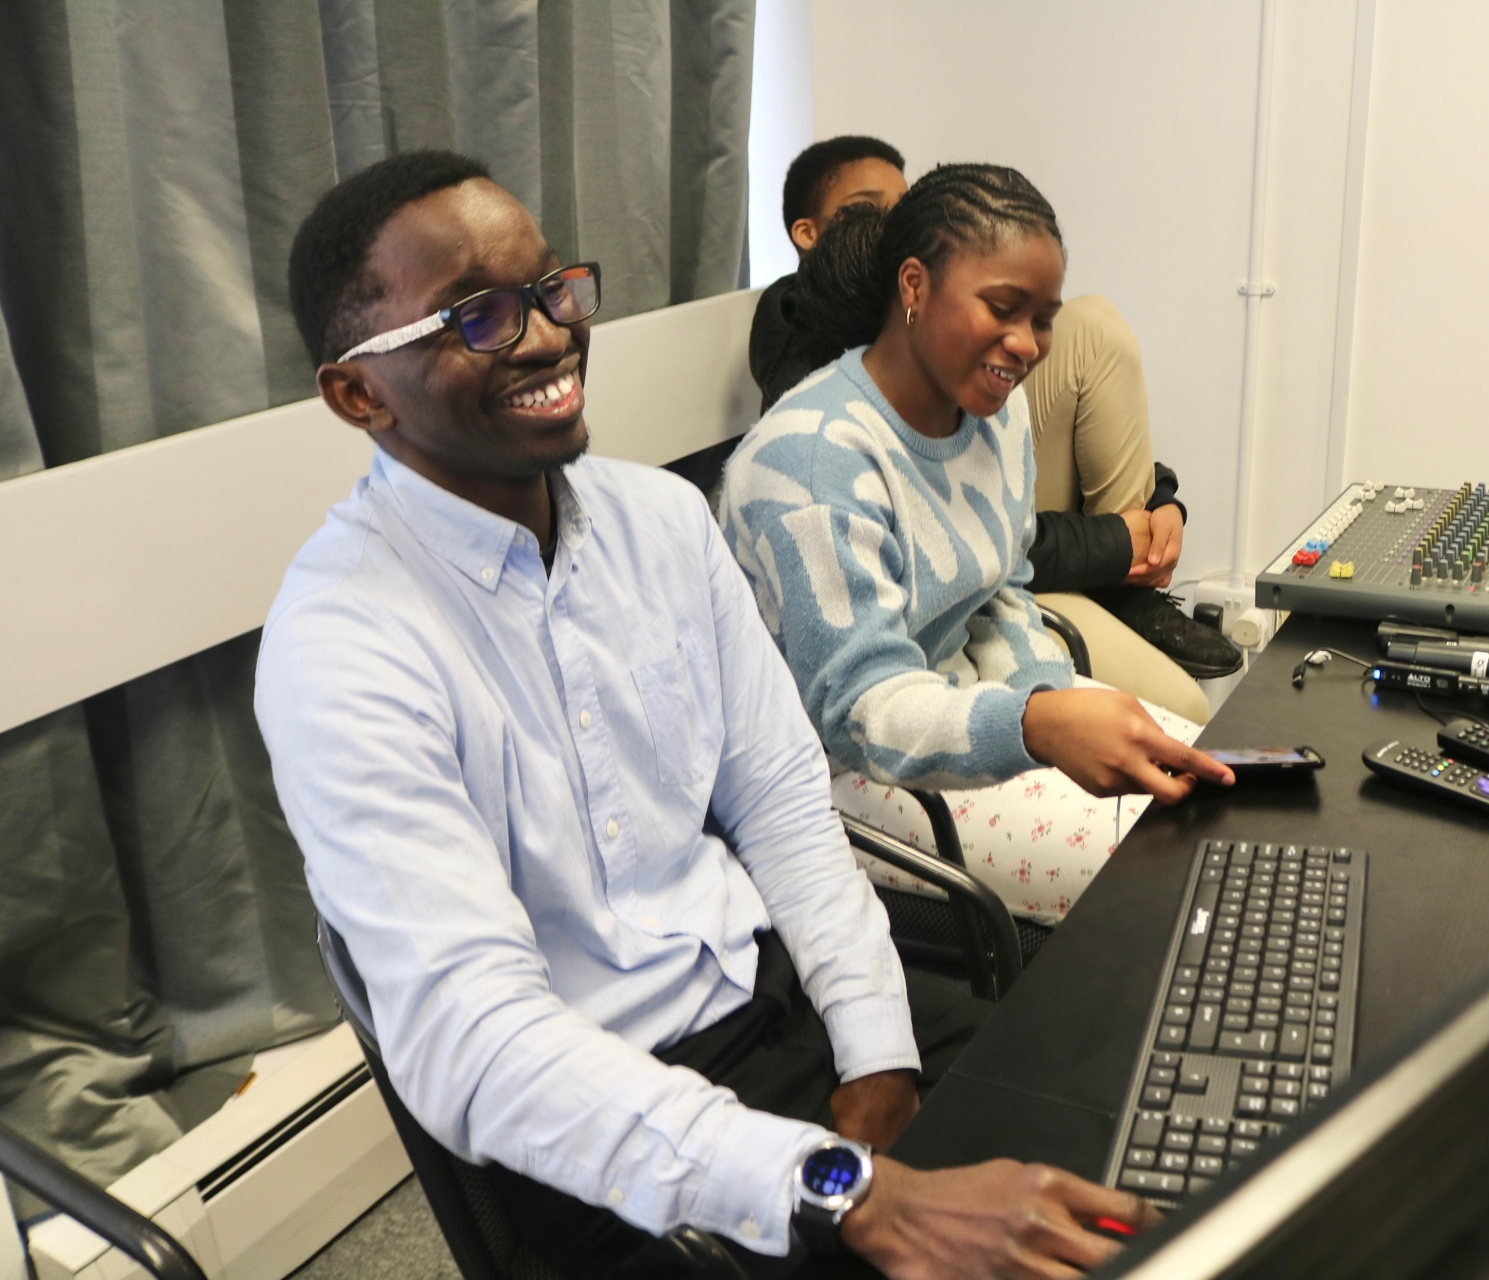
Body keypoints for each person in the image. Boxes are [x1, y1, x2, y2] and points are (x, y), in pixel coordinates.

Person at [257, 149, 1157, 1280]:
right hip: (593, 1133)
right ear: (359, 394)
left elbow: (781, 803)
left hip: (771, 1004)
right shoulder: (343, 644)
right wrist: (849, 1189)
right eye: (476, 316)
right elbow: (479, 1044)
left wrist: (877, 1052)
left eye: (553, 291)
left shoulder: (662, 522)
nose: (546, 336)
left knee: (1109, 1129)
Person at [719, 165, 1235, 927]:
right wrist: (1035, 728)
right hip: (839, 775)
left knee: (1226, 809)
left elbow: (1003, 588)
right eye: (1001, 308)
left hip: (972, 715)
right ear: (914, 285)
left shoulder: (995, 414)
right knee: (1183, 874)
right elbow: (861, 714)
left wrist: (1043, 698)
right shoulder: (811, 463)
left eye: (1043, 318)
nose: (1026, 345)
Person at [751, 137, 1242, 715]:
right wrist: (1112, 548)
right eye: (866, 209)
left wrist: (1156, 498)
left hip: (998, 587)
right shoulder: (815, 435)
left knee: (1096, 326)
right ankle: (1123, 578)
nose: (889, 223)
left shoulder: (989, 396)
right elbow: (871, 697)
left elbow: (998, 565)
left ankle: (1129, 588)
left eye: (900, 207)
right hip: (937, 646)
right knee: (1178, 715)